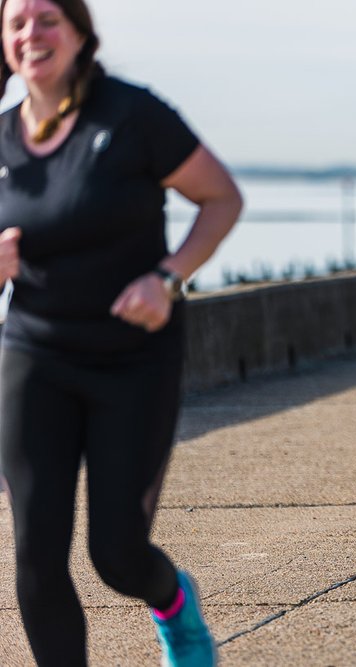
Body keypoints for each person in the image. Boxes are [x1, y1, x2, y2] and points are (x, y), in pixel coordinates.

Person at [0, 0, 242, 665]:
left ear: (80, 33)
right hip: (34, 354)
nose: (31, 33)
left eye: (47, 18)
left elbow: (222, 198)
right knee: (36, 557)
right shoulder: (1, 142)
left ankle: (174, 605)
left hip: (132, 360)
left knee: (117, 553)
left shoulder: (132, 114)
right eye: (16, 21)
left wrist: (166, 277)